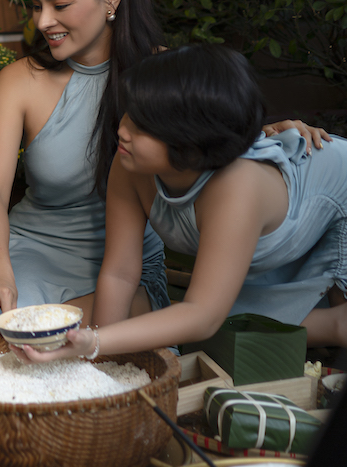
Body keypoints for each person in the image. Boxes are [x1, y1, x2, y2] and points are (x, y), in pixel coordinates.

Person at [19, 45, 345, 362]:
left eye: (143, 126)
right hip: (270, 231)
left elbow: (201, 315)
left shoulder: (236, 187)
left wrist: (95, 342)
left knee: (213, 328)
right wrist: (97, 362)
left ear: (190, 143)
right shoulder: (130, 163)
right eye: (130, 114)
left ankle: (336, 324)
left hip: (338, 204)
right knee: (213, 323)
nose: (123, 130)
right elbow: (119, 273)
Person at [0, 0, 173, 332]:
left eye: (60, 6)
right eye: (36, 5)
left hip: (127, 265)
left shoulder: (162, 73)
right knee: (14, 330)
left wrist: (272, 133)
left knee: (116, 334)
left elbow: (221, 137)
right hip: (32, 254)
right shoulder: (19, 81)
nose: (44, 22)